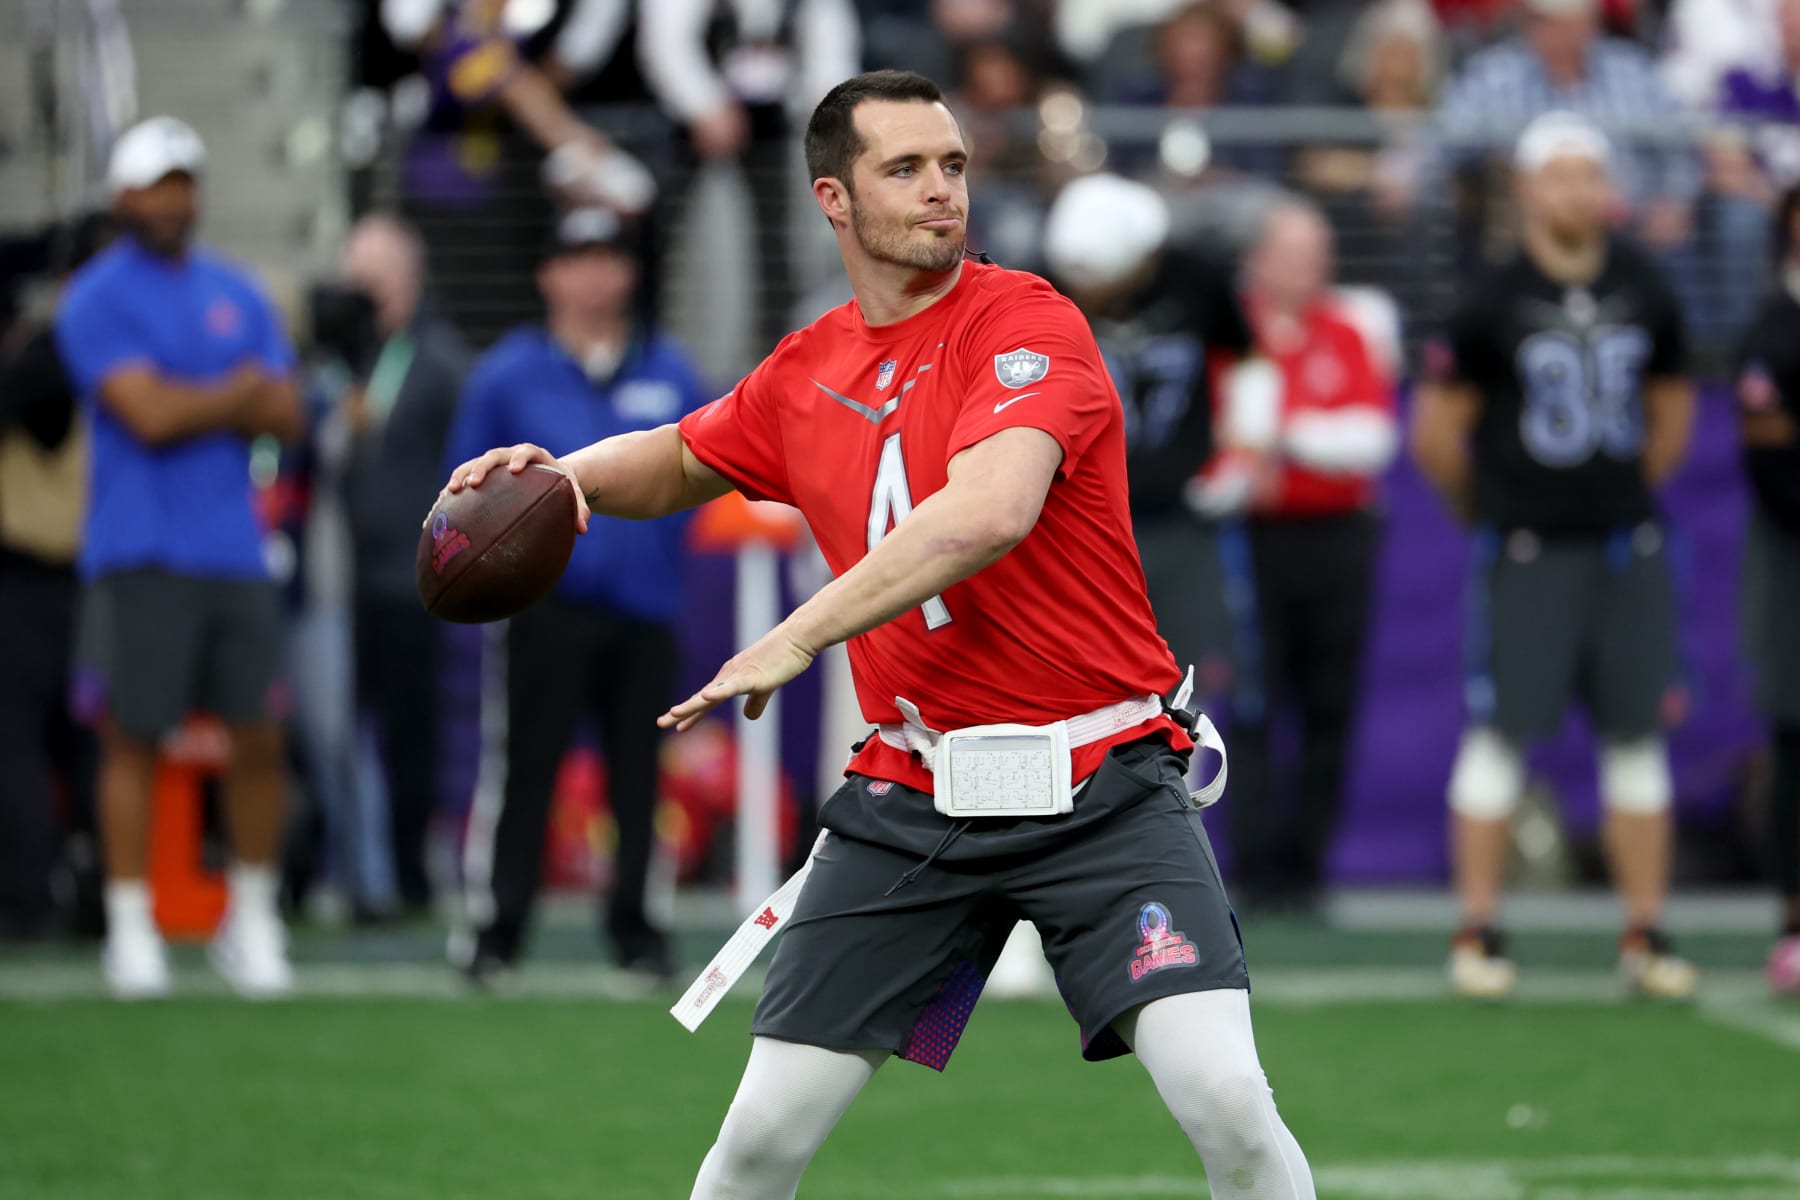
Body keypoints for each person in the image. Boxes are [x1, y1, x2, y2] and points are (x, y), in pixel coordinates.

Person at [447, 69, 1315, 1199]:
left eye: (951, 164)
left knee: (1231, 1109)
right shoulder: (810, 366)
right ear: (833, 199)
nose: (941, 191)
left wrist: (799, 635)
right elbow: (678, 455)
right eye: (903, 168)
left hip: (1100, 783)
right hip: (917, 798)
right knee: (755, 1143)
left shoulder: (1027, 318)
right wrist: (563, 481)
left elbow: (989, 512)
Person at [1411, 112, 1699, 1000]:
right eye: (1560, 175)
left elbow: (1672, 410)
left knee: (1636, 737)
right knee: (1500, 736)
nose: (1577, 191)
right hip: (1529, 547)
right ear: (1530, 188)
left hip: (1621, 542)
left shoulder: (1645, 284)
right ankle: (1478, 928)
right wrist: (1498, 512)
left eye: (1590, 175)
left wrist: (1616, 494)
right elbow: (1436, 434)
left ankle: (1644, 932)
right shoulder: (1490, 298)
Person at [54, 117, 304, 999]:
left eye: (184, 182)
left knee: (260, 737)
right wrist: (233, 393)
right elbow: (145, 415)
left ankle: (252, 917)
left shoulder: (234, 287)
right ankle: (130, 926)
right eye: (158, 184)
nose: (174, 200)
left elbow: (285, 411)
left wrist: (220, 397)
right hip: (138, 547)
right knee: (136, 738)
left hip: (233, 548)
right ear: (124, 197)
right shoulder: (94, 296)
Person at [446, 207, 707, 986]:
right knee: (524, 767)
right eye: (578, 258)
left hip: (644, 603)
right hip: (544, 608)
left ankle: (639, 928)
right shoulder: (506, 374)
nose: (595, 276)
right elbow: (463, 490)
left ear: (629, 272)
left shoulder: (670, 368)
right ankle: (498, 927)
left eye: (609, 258)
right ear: (548, 274)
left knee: (640, 773)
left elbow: (703, 465)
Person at [1226, 200, 1398, 911]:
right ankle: (1255, 861)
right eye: (1295, 252)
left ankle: (1308, 864)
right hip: (1256, 539)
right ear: (1261, 258)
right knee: (1255, 700)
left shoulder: (1347, 330)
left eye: (1318, 253)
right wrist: (1276, 443)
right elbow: (1231, 443)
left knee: (1331, 702)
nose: (1310, 268)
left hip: (1336, 537)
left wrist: (1285, 435)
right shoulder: (1234, 328)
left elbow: (1369, 437)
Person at [337, 213, 472, 916]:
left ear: (406, 277)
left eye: (373, 275)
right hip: (346, 577)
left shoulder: (439, 362)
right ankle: (351, 872)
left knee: (408, 730)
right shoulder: (351, 357)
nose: (360, 289)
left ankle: (410, 874)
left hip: (408, 580)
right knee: (339, 728)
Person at [0, 212, 111, 940]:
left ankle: (30, 897)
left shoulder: (57, 343)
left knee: (20, 738)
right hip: (100, 568)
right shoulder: (130, 338)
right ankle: (95, 899)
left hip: (38, 567)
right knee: (91, 742)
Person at [1731, 183, 1800, 995]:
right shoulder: (1773, 331)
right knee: (1795, 735)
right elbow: (1773, 466)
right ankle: (1792, 919)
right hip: (1792, 556)